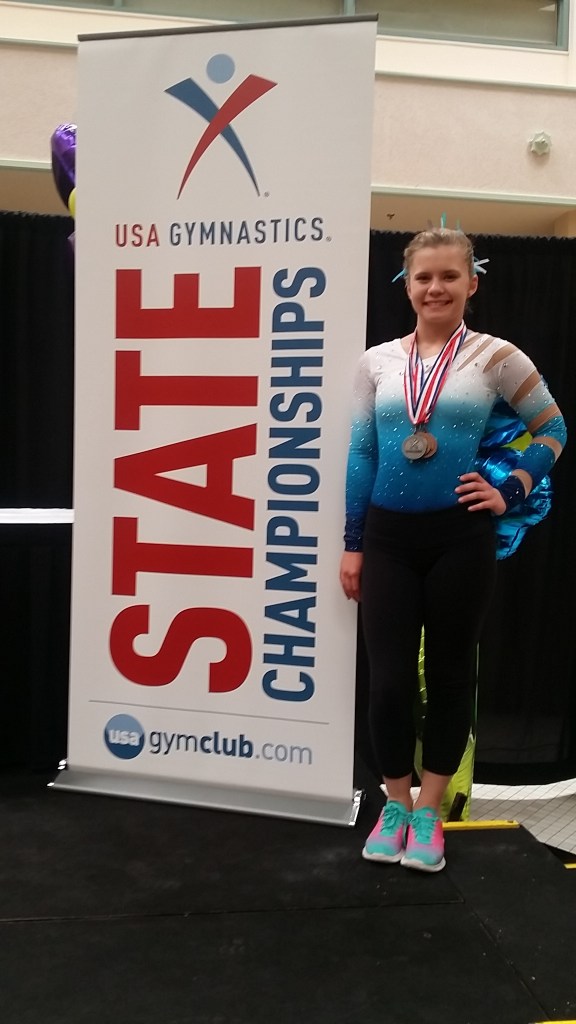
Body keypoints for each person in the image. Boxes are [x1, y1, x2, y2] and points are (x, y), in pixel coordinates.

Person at [340, 228, 566, 873]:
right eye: (423, 277)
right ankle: (395, 803)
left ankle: (430, 812)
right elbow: (362, 453)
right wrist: (353, 544)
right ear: (406, 285)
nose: (435, 288)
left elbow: (553, 428)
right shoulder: (376, 363)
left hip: (460, 538)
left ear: (472, 283)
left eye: (448, 276)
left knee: (449, 677)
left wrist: (511, 487)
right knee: (387, 682)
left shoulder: (497, 357)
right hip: (388, 539)